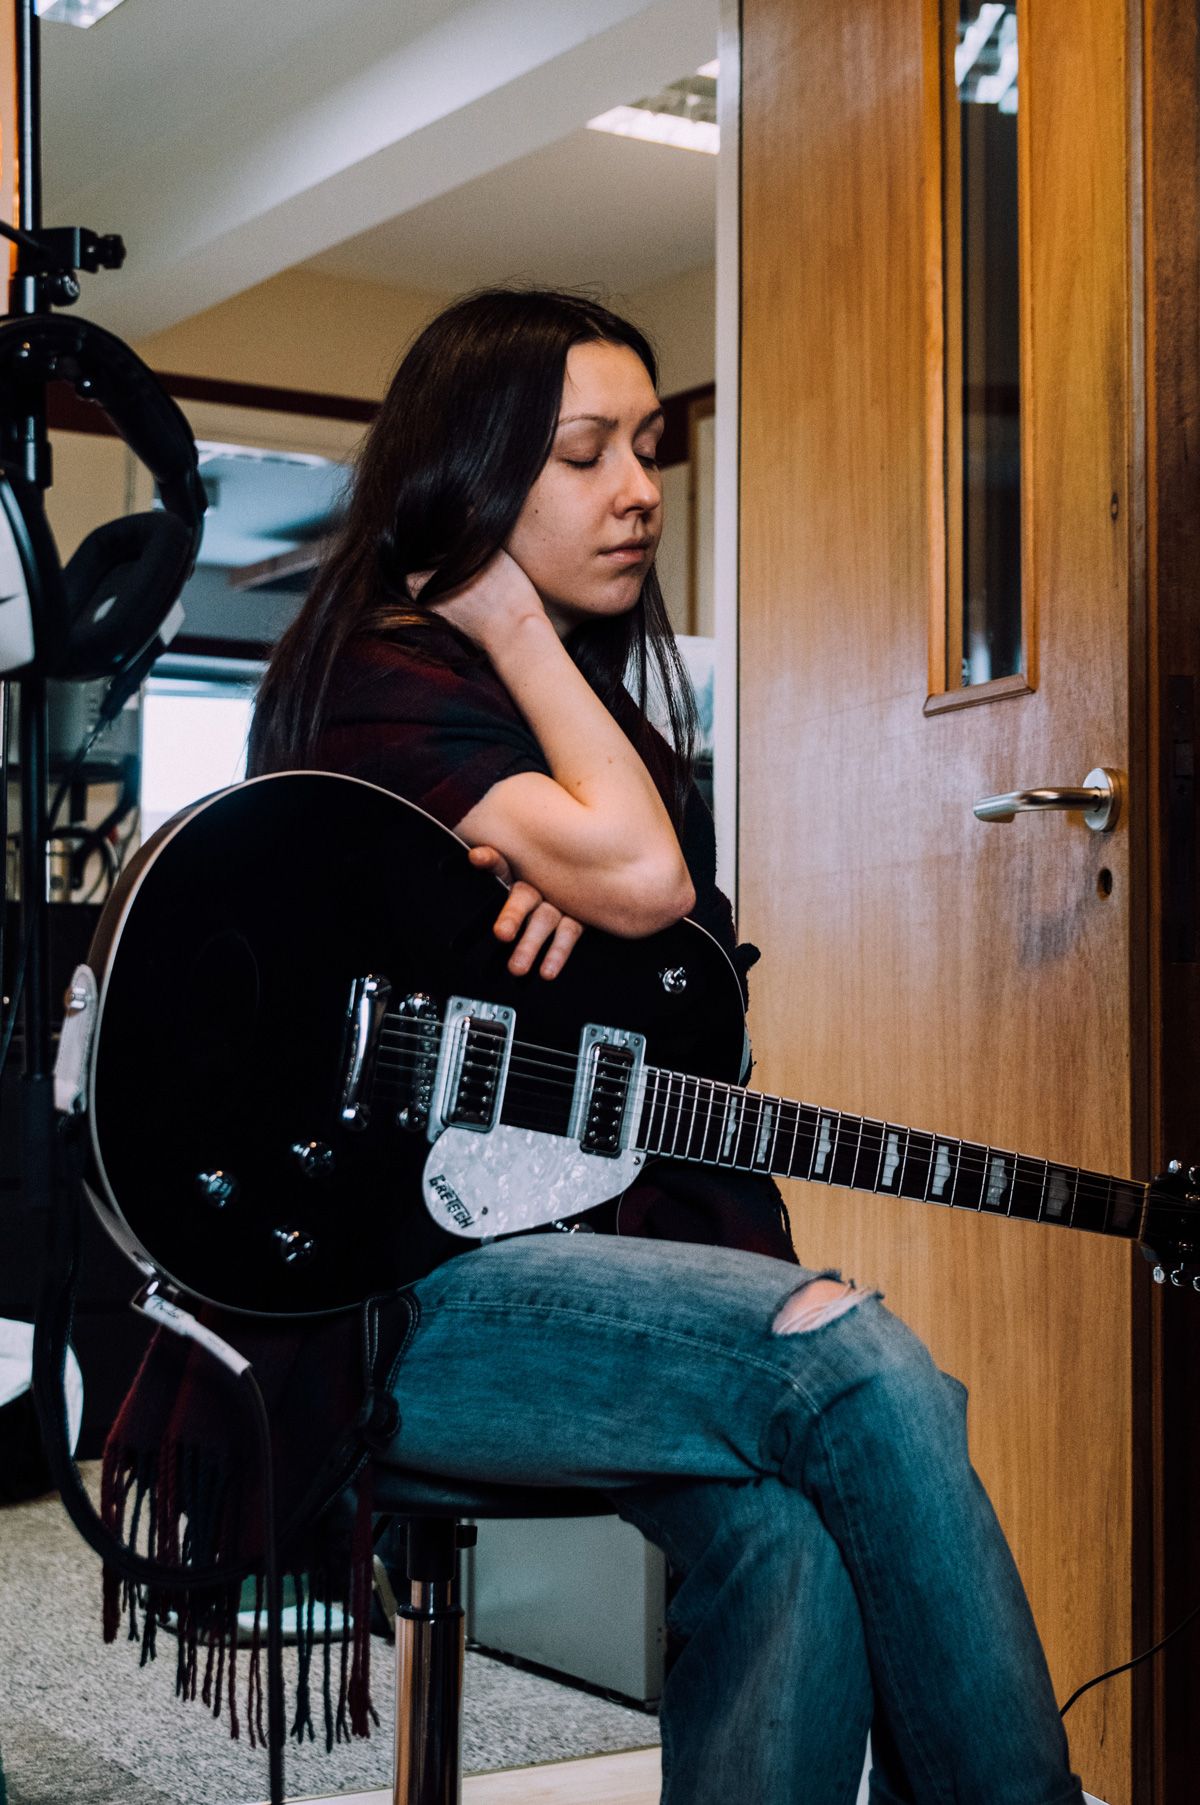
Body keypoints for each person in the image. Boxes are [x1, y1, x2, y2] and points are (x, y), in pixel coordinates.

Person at [246, 289, 1084, 1804]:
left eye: (647, 447)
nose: (637, 488)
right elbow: (644, 880)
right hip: (406, 1305)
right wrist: (502, 613)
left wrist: (584, 870)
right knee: (855, 1363)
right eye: (581, 454)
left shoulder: (574, 716)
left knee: (791, 1536)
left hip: (568, 1260)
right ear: (477, 472)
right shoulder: (390, 678)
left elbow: (632, 900)